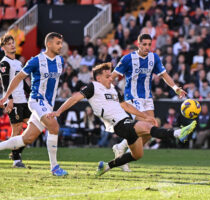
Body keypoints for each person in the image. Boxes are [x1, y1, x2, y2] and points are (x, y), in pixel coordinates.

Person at [47, 63, 196, 177]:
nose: (111, 78)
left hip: (125, 121)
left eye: (110, 75)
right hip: (117, 124)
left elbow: (125, 106)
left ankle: (106, 166)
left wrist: (145, 116)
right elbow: (74, 98)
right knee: (145, 128)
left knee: (137, 155)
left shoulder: (114, 89)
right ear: (98, 78)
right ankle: (178, 133)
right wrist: (59, 111)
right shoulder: (93, 87)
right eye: (107, 76)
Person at [0, 32, 68, 176]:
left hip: (48, 104)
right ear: (48, 44)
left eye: (61, 43)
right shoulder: (36, 61)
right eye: (58, 43)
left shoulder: (60, 61)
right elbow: (18, 78)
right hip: (36, 100)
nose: (61, 46)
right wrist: (6, 96)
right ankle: (54, 167)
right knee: (54, 127)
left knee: (27, 138)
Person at [111, 34, 187, 171]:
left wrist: (176, 88)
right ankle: (122, 149)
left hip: (147, 97)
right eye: (144, 44)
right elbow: (113, 76)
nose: (147, 47)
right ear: (138, 44)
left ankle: (122, 149)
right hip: (132, 97)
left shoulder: (154, 58)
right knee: (145, 124)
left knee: (149, 129)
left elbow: (164, 75)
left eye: (149, 44)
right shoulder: (128, 58)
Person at [0, 34, 31, 168]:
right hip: (14, 101)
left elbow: (22, 81)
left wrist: (31, 93)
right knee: (17, 129)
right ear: (3, 47)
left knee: (34, 127)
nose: (12, 45)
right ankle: (16, 160)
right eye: (9, 43)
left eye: (13, 42)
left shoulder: (18, 63)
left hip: (23, 100)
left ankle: (15, 151)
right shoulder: (4, 63)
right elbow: (5, 84)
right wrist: (9, 99)